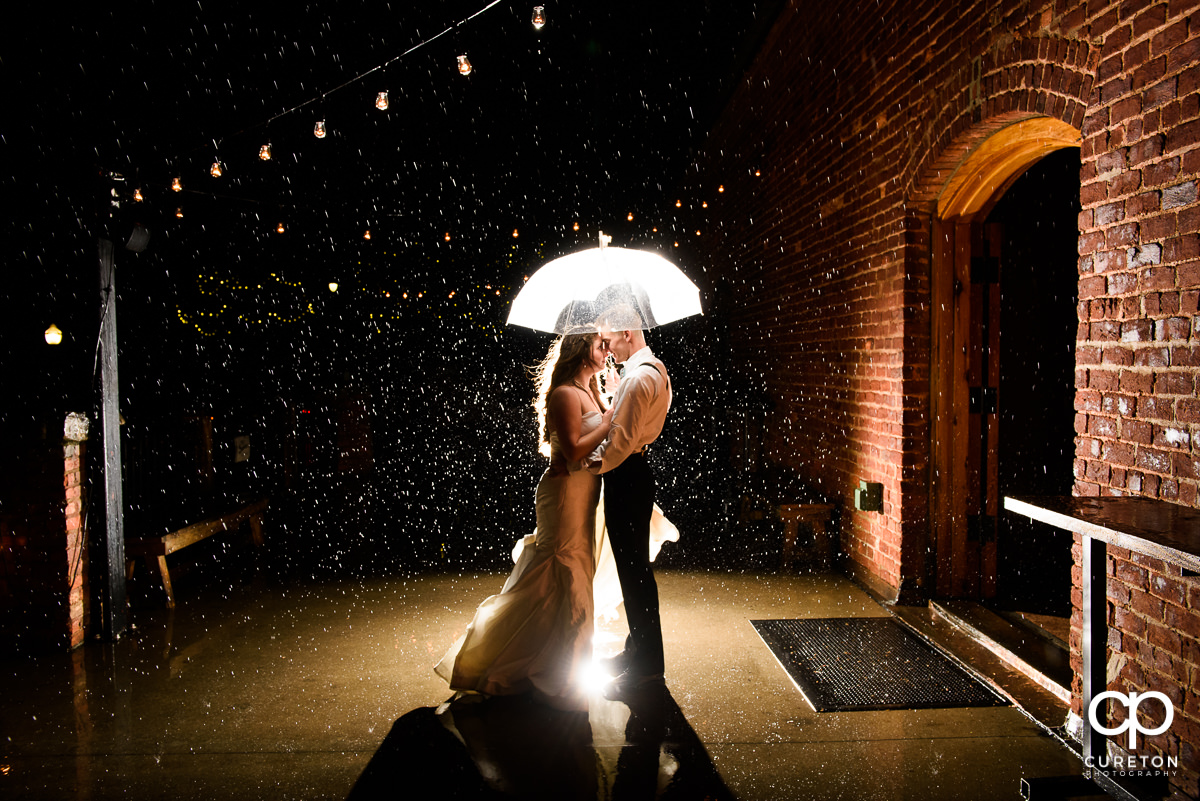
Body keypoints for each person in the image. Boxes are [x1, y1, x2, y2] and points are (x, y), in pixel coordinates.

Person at [434, 332, 613, 710]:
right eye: (600, 344)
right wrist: (610, 418)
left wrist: (609, 403)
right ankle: (542, 668)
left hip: (582, 494)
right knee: (563, 570)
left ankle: (559, 663)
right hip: (564, 495)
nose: (607, 349)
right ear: (581, 350)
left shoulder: (590, 391)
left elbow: (600, 439)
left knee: (577, 571)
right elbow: (575, 448)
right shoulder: (565, 393)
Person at [586, 306, 672, 694]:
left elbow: (619, 445)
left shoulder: (639, 379)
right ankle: (637, 650)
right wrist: (611, 392)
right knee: (633, 570)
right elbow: (627, 426)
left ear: (626, 333)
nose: (606, 349)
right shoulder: (652, 370)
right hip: (636, 472)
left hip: (627, 475)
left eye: (608, 341)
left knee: (635, 573)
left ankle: (648, 664)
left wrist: (587, 464)